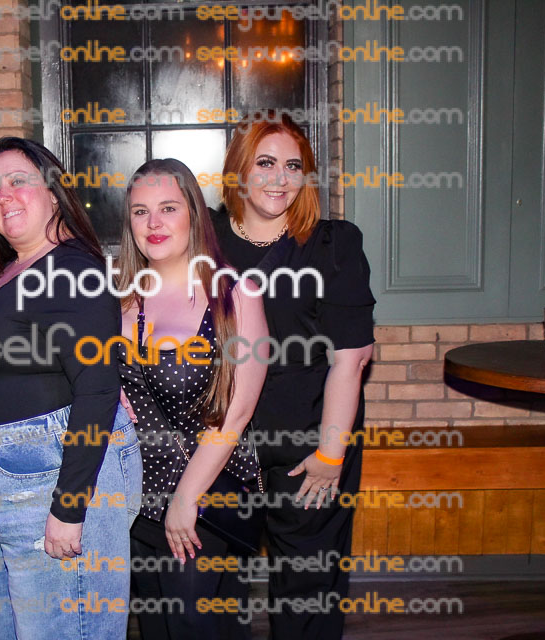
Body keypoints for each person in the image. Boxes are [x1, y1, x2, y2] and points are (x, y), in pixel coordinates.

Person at [0, 137, 142, 640]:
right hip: (12, 495)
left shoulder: (73, 270)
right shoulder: (16, 268)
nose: (3, 196)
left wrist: (69, 507)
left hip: (51, 486)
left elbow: (96, 390)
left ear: (54, 192)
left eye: (18, 181)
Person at [211, 112, 376, 639]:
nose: (279, 178)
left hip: (310, 440)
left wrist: (331, 455)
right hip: (221, 443)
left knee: (307, 590)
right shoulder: (205, 239)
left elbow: (352, 359)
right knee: (212, 588)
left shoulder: (332, 245)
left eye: (293, 166)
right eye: (265, 163)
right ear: (239, 169)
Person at [113, 159, 268, 639]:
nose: (153, 223)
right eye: (140, 212)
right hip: (137, 498)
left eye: (168, 208)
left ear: (194, 215)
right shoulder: (121, 299)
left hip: (206, 494)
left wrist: (186, 499)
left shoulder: (235, 295)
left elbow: (237, 413)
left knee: (192, 623)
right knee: (156, 625)